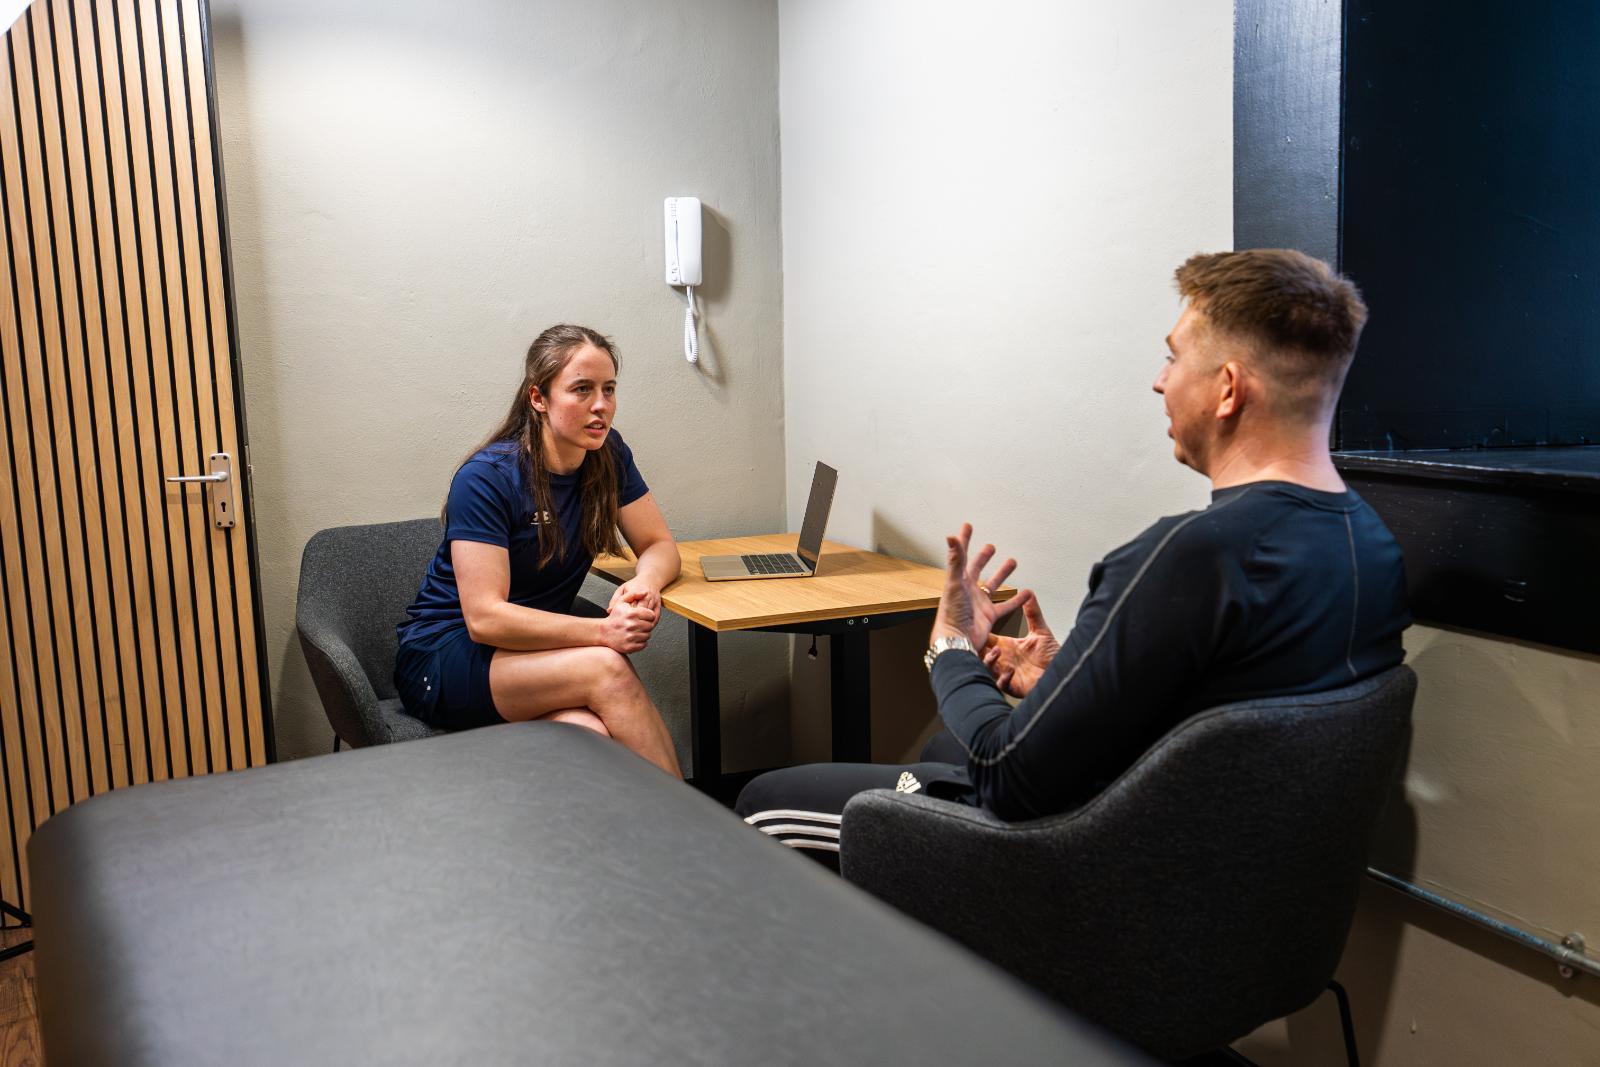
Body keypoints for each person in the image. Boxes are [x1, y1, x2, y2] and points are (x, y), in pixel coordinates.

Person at [736, 249, 1410, 864]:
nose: (1158, 381)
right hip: (1230, 892)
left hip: (1092, 887)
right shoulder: (1370, 545)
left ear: (1228, 388)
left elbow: (1006, 775)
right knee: (943, 749)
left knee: (765, 802)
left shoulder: (1185, 558)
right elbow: (1231, 725)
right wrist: (1076, 682)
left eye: (1173, 358)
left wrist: (952, 650)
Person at [394, 324, 682, 776]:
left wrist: (644, 584)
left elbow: (659, 544)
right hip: (447, 656)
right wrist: (604, 632)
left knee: (588, 734)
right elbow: (485, 618)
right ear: (538, 399)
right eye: (581, 389)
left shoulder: (607, 453)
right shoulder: (488, 477)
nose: (601, 405)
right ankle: (694, 834)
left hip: (534, 656)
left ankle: (609, 842)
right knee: (606, 668)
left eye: (609, 389)